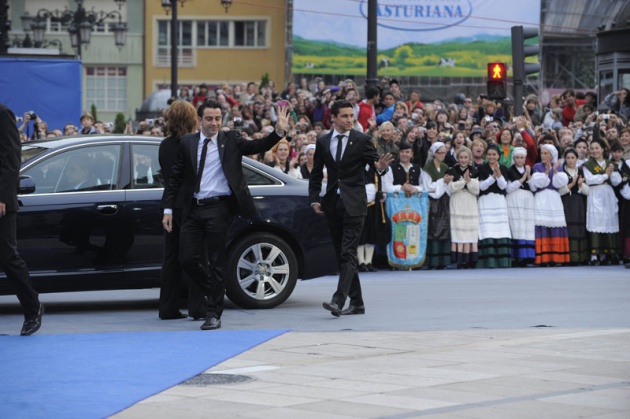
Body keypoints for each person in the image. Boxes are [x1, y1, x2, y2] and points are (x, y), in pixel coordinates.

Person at [162, 100, 290, 330]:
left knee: (217, 261)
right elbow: (175, 178)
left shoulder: (230, 140)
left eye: (218, 119)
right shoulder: (188, 142)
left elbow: (257, 145)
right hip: (193, 208)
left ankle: (214, 313)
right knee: (187, 259)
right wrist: (168, 209)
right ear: (199, 120)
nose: (214, 123)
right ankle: (215, 288)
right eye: (209, 118)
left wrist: (278, 132)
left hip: (219, 209)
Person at [309, 100, 393, 317]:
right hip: (332, 204)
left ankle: (339, 300)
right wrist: (314, 198)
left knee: (347, 252)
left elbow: (376, 164)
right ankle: (357, 303)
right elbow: (316, 173)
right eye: (344, 116)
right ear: (333, 118)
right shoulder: (324, 142)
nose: (349, 120)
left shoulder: (362, 139)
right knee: (343, 255)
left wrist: (381, 168)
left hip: (355, 203)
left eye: (351, 116)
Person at [158, 100, 206, 320]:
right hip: (190, 207)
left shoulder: (164, 145)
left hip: (170, 206)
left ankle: (167, 308)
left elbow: (169, 179)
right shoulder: (193, 144)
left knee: (171, 259)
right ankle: (197, 307)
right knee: (196, 257)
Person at [0, 102, 44, 335]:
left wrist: (3, 197)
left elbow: (11, 159)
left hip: (1, 202)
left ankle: (32, 308)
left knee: (7, 257)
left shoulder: (3, 113)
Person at [530, 144, 571, 266]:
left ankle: (556, 257)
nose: (543, 156)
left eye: (546, 153)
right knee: (542, 226)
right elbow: (539, 183)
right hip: (541, 198)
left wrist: (556, 171)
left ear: (552, 155)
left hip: (554, 199)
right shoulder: (537, 166)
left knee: (555, 226)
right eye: (542, 153)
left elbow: (560, 183)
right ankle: (543, 258)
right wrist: (547, 171)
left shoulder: (558, 167)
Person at [582, 139, 621, 265]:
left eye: (597, 148)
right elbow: (590, 180)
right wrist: (605, 175)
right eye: (592, 148)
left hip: (608, 194)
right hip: (595, 193)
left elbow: (617, 182)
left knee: (608, 221)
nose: (594, 151)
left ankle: (609, 253)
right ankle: (595, 255)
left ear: (603, 149)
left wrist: (612, 173)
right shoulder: (588, 164)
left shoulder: (610, 163)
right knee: (596, 221)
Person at [477, 144, 512, 268]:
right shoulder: (481, 169)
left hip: (499, 201)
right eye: (489, 154)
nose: (491, 157)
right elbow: (481, 187)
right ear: (486, 155)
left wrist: (499, 174)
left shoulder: (503, 168)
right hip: (486, 201)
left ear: (498, 156)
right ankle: (488, 262)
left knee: (500, 229)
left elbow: (503, 186)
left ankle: (502, 262)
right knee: (487, 229)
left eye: (494, 154)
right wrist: (493, 176)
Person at [447, 146, 480, 268]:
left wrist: (469, 182)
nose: (463, 160)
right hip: (457, 201)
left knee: (470, 230)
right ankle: (459, 260)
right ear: (457, 158)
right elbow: (451, 188)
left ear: (469, 158)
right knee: (458, 230)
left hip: (470, 202)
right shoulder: (451, 170)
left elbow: (476, 190)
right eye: (461, 157)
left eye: (466, 157)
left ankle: (470, 259)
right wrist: (464, 181)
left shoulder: (474, 170)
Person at [421, 142, 453, 269]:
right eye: (441, 152)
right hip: (432, 202)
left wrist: (446, 183)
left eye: (445, 152)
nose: (443, 155)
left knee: (444, 229)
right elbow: (427, 187)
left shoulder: (445, 167)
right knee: (433, 229)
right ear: (434, 153)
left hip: (444, 202)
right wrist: (442, 182)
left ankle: (443, 261)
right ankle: (432, 261)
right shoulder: (427, 169)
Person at [505, 147, 536, 266]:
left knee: (527, 226)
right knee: (516, 226)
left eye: (522, 158)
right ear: (514, 158)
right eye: (517, 158)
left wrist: (528, 176)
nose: (519, 160)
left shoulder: (530, 170)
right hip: (514, 199)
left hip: (528, 200)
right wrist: (522, 179)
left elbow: (533, 188)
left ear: (525, 159)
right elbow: (508, 188)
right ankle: (517, 257)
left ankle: (527, 256)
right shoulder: (509, 170)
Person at [559, 148, 589, 265]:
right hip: (567, 202)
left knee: (579, 228)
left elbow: (588, 191)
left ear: (577, 159)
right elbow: (560, 191)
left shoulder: (581, 171)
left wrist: (581, 185)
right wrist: (571, 184)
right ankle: (570, 257)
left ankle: (581, 257)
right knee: (569, 228)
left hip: (579, 202)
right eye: (568, 158)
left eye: (572, 158)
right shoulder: (562, 172)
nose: (570, 160)